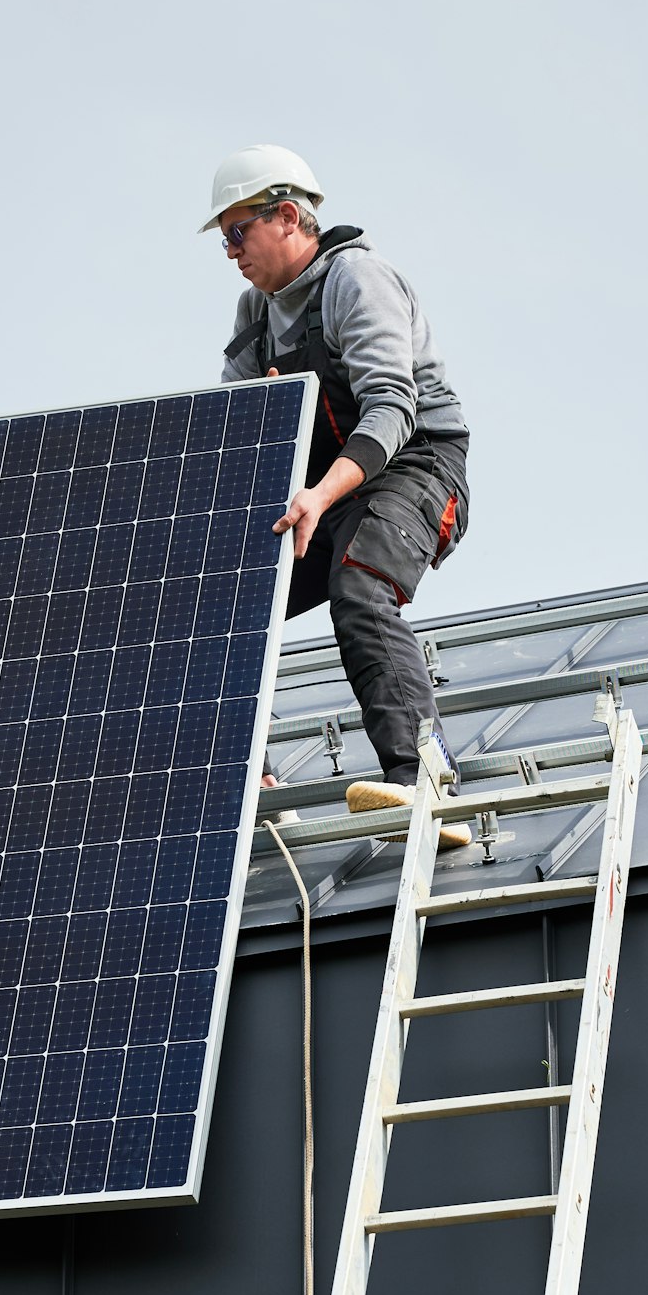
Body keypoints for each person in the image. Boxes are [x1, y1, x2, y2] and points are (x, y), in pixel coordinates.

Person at [203, 144, 470, 846]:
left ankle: (424, 779)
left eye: (237, 231)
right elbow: (227, 432)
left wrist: (319, 494)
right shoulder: (253, 313)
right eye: (224, 237)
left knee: (357, 584)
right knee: (216, 599)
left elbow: (390, 407)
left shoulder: (357, 279)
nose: (229, 250)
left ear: (287, 216)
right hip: (321, 493)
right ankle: (246, 781)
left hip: (411, 468)